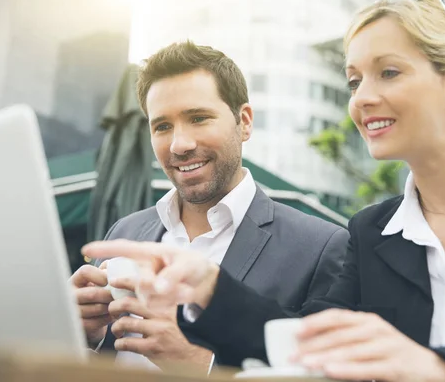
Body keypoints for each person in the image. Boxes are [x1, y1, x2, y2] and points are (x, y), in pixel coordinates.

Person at [82, 0, 445, 381]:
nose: (362, 98)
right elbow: (303, 345)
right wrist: (211, 290)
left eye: (389, 72)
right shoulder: (371, 234)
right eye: (355, 81)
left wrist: (440, 366)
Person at [69, 41, 348, 372]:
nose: (180, 144)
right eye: (162, 126)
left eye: (198, 118)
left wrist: (201, 365)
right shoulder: (125, 231)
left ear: (244, 122)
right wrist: (87, 337)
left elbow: (329, 374)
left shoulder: (322, 247)